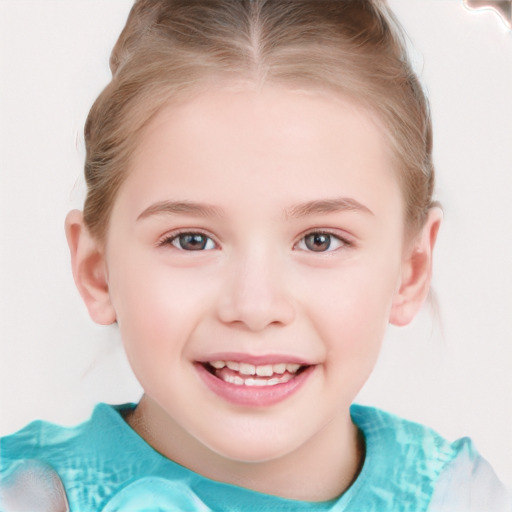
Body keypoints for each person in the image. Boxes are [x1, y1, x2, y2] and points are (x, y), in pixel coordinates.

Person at [1, 0, 510, 510]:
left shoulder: (455, 495)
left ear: (411, 270)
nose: (255, 306)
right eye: (191, 240)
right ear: (97, 272)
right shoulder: (31, 496)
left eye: (320, 240)